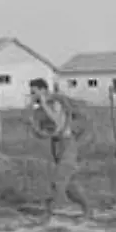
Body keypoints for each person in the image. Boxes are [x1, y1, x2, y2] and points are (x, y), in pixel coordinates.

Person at [29, 78, 93, 223]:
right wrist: (33, 127)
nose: (32, 95)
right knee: (70, 186)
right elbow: (45, 133)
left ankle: (47, 214)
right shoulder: (40, 109)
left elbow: (57, 122)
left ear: (43, 90)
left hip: (68, 145)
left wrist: (44, 104)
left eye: (34, 92)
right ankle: (88, 210)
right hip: (56, 146)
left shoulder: (55, 103)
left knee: (58, 181)